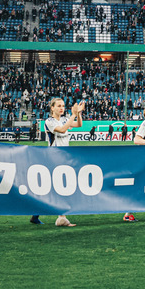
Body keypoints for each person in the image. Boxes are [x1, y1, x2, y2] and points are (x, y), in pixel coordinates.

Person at [31, 97, 85, 227]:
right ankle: (61, 217)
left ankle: (36, 215)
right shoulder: (49, 121)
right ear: (52, 108)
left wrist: (78, 113)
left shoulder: (65, 119)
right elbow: (62, 130)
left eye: (63, 106)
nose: (62, 108)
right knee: (59, 186)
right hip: (53, 156)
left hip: (64, 156)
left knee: (52, 188)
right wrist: (73, 114)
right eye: (59, 106)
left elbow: (79, 125)